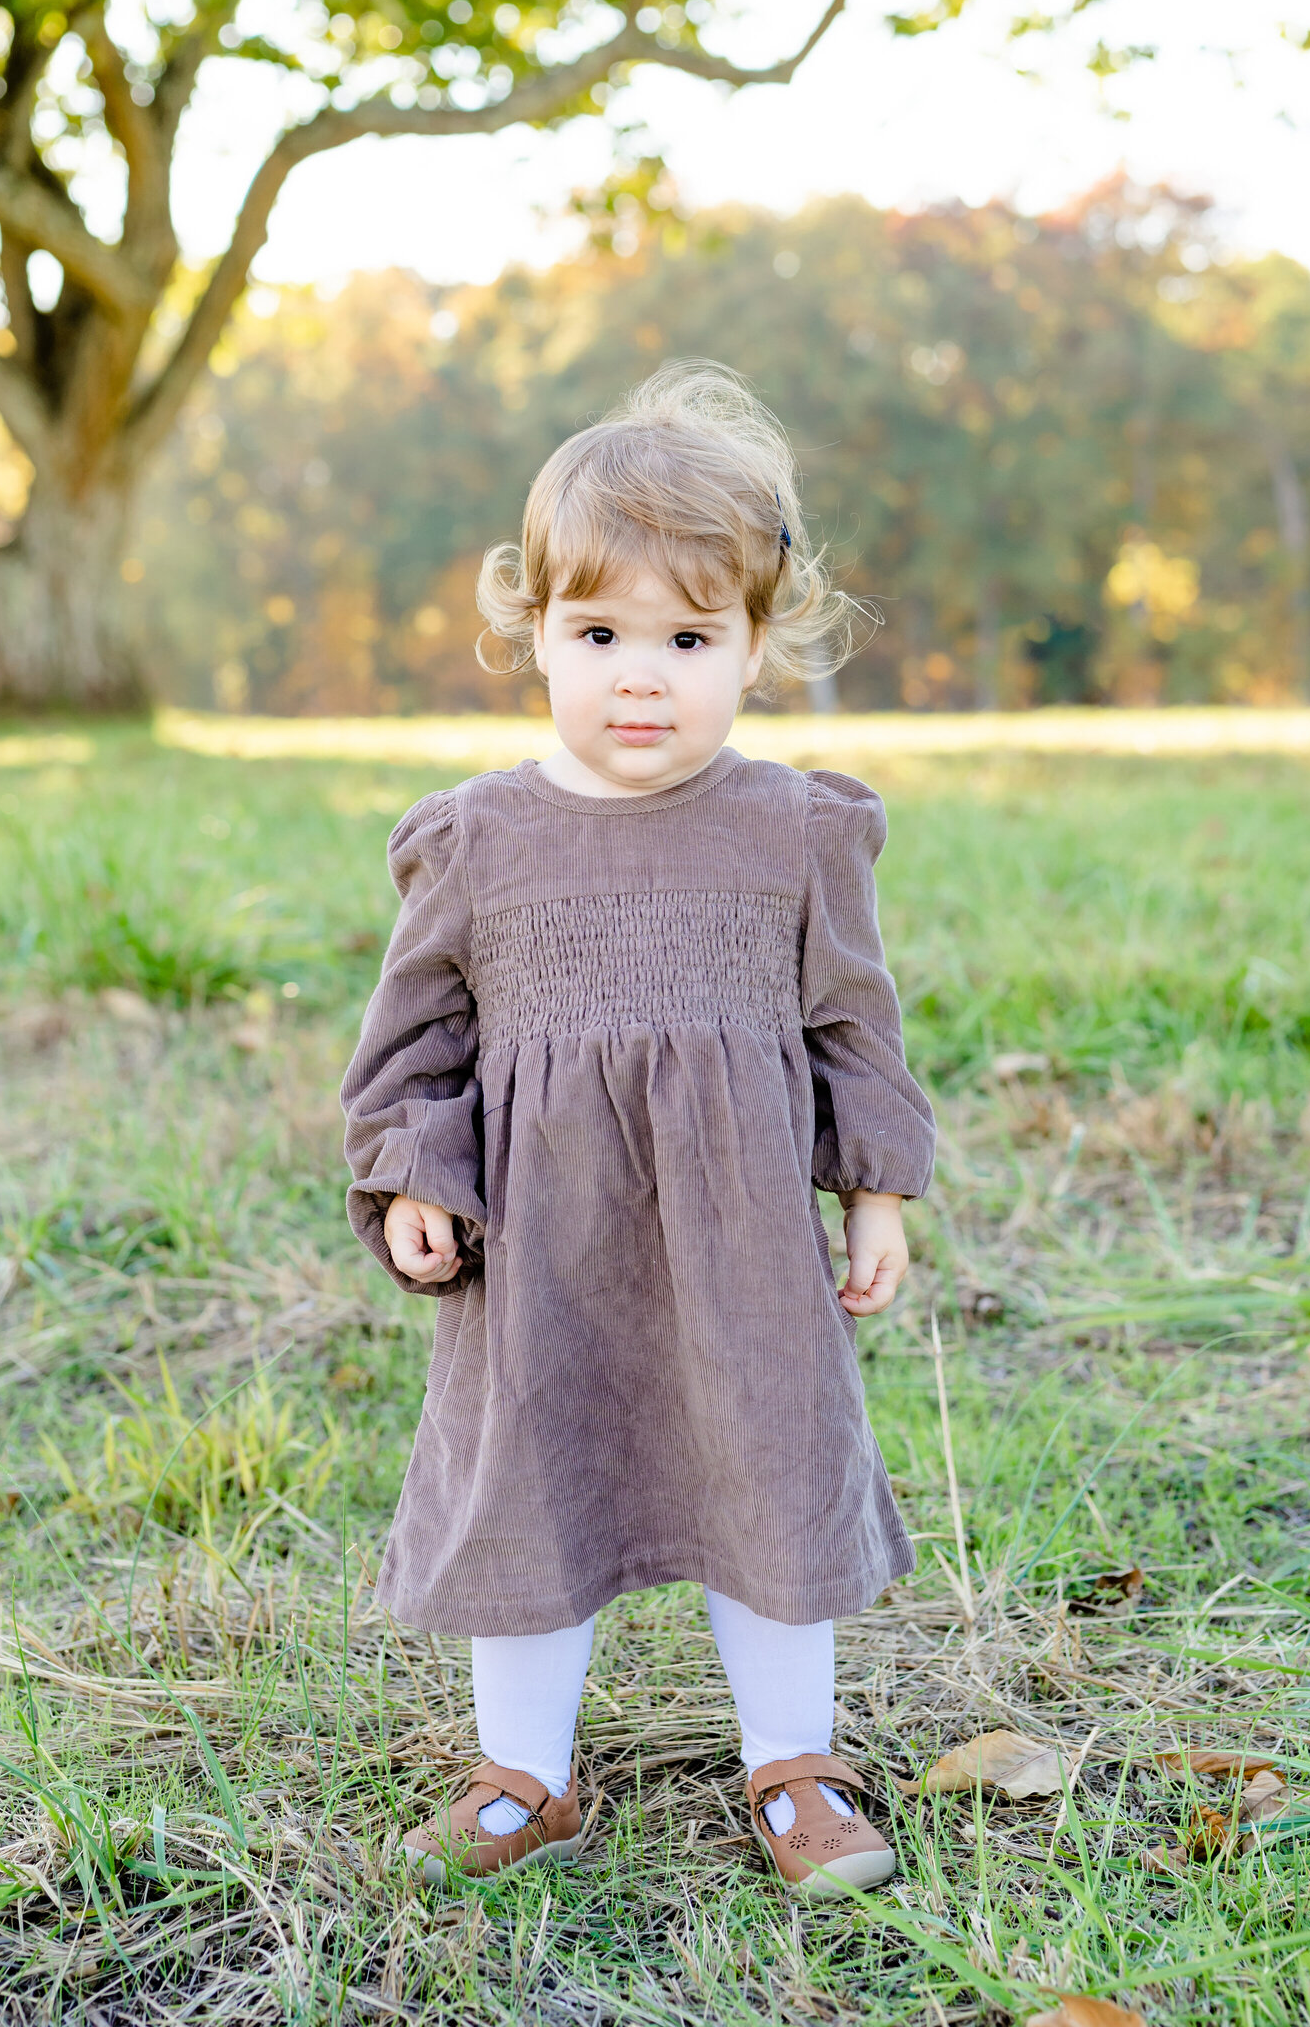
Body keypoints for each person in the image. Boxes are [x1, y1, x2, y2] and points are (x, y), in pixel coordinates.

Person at [341, 362, 936, 1898]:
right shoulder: (475, 841)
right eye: (599, 636)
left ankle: (794, 1763)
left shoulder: (796, 830)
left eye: (690, 637)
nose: (642, 677)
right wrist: (415, 1171)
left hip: (738, 1242)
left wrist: (875, 1192)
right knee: (530, 1484)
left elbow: (850, 1027)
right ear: (533, 629)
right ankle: (525, 1774)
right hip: (543, 1246)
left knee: (771, 1469)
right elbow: (413, 1044)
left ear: (760, 642)